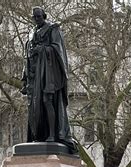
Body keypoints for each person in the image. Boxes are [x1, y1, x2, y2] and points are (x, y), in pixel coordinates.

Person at [21, 7, 76, 152]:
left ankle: (53, 134)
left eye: (39, 16)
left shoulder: (53, 29)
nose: (37, 19)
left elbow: (57, 49)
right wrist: (24, 78)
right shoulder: (31, 32)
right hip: (34, 74)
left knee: (48, 100)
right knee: (34, 106)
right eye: (35, 17)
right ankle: (37, 134)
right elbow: (26, 54)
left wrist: (43, 49)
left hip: (49, 72)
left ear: (43, 16)